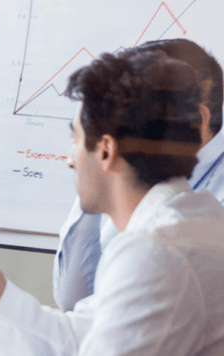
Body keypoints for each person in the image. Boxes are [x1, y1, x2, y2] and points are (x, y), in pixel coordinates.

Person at [0, 48, 224, 355]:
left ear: (106, 150)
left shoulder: (156, 253)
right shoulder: (192, 220)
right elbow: (74, 337)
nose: (70, 159)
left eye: (75, 138)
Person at [53, 38, 224, 311]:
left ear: (196, 119)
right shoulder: (119, 165)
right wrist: (96, 164)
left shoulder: (204, 209)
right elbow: (72, 300)